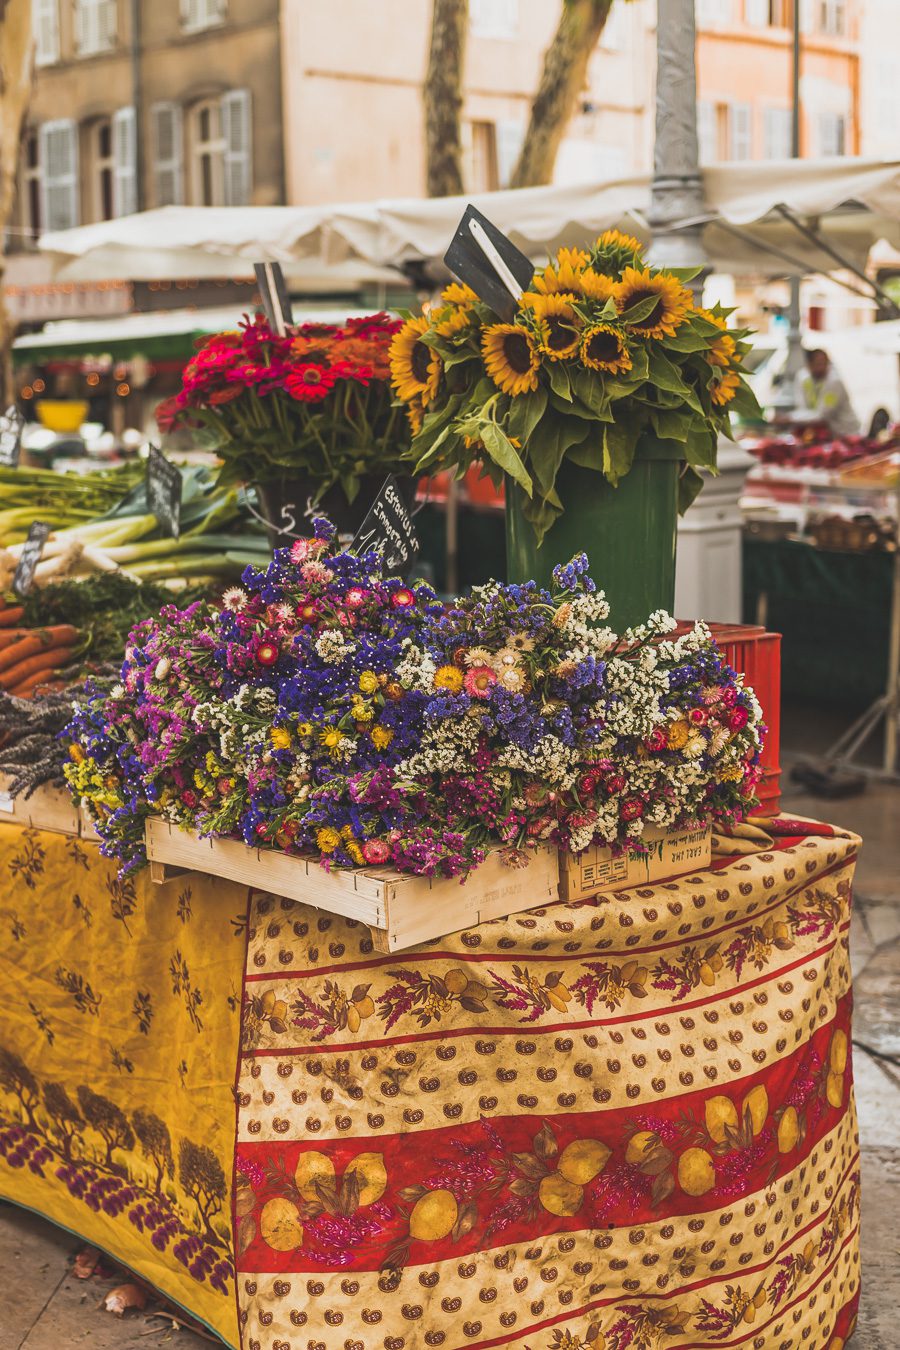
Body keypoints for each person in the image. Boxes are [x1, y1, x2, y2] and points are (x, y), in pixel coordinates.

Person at [793, 348, 860, 437]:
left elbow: (823, 415)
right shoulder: (803, 378)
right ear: (809, 365)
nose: (822, 368)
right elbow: (802, 407)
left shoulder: (834, 382)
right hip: (827, 433)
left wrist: (790, 418)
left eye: (825, 364)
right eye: (818, 364)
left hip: (847, 433)